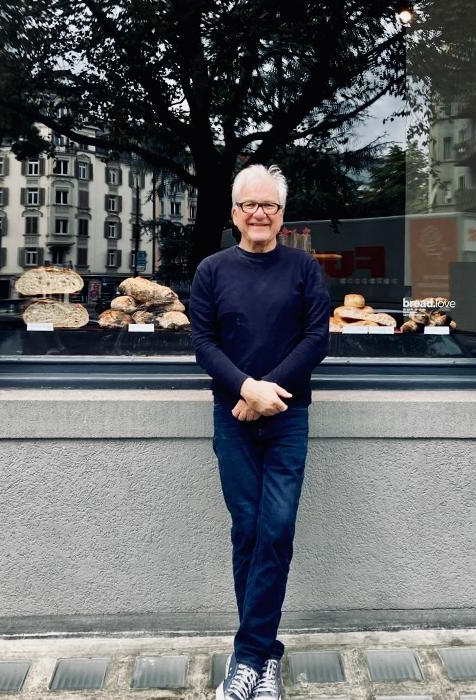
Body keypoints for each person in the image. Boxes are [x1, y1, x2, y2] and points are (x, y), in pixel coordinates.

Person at [189, 164, 330, 700]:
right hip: (233, 421)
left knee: (276, 530)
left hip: (288, 418)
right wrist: (246, 390)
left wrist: (264, 393)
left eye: (268, 205)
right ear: (233, 213)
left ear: (281, 213)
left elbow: (317, 340)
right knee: (247, 531)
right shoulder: (212, 271)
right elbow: (203, 344)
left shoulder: (303, 269)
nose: (259, 214)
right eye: (249, 204)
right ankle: (262, 656)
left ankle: (248, 657)